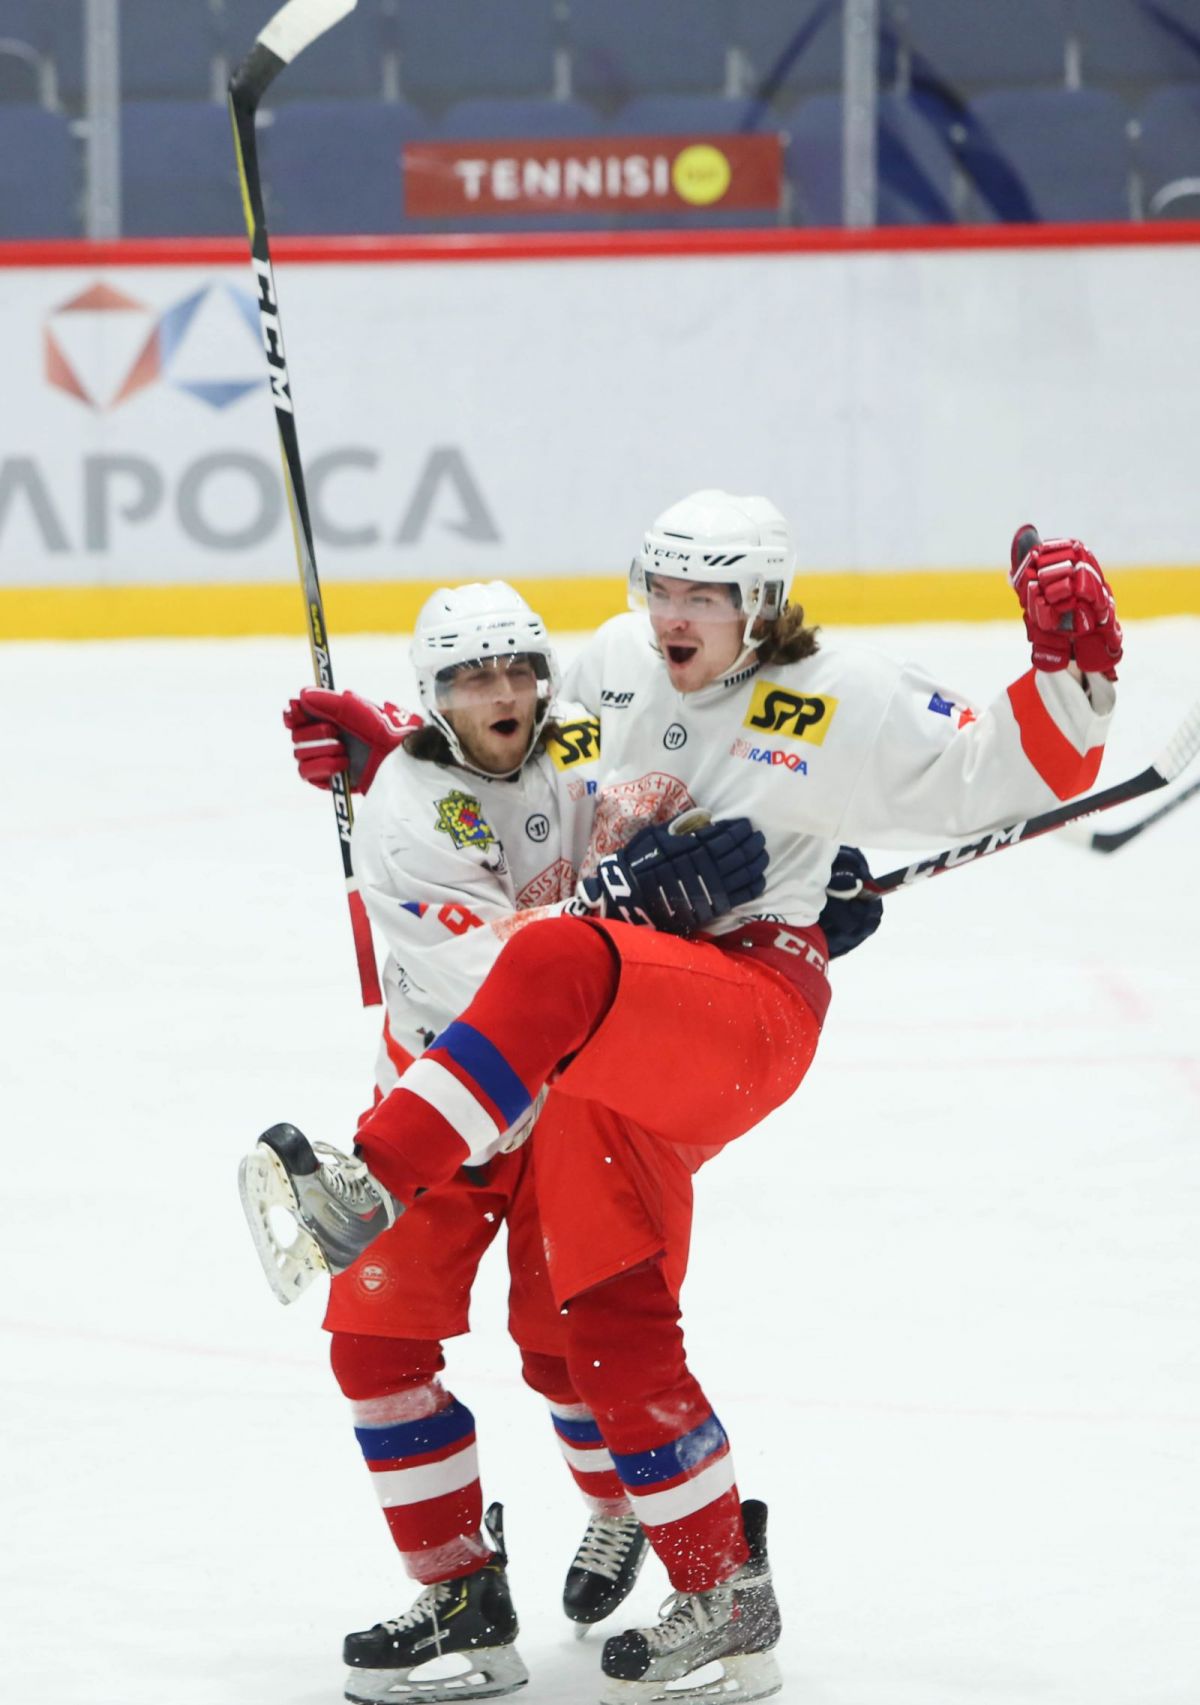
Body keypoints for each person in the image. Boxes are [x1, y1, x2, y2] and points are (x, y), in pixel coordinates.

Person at [243, 493, 1115, 1704]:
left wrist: (1074, 670)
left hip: (729, 1004)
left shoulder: (842, 694)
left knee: (556, 959)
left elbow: (1021, 772)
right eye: (662, 587)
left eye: (705, 595)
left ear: (761, 603)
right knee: (601, 1326)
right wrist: (405, 751)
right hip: (596, 1035)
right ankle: (718, 1597)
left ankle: (367, 1179)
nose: (673, 616)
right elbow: (515, 756)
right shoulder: (612, 663)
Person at [253, 579, 780, 1705]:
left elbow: (681, 814)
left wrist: (791, 890)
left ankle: (618, 1506)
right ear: (433, 697)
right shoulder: (404, 810)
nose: (503, 692)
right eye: (470, 678)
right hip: (444, 1104)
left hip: (572, 1112)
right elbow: (502, 992)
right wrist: (623, 902)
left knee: (571, 1351)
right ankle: (461, 1596)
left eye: (517, 670)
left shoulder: (580, 744)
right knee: (374, 1350)